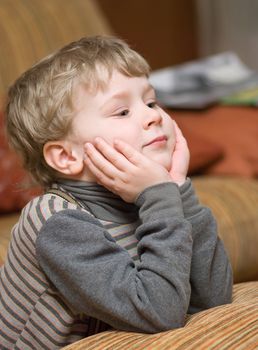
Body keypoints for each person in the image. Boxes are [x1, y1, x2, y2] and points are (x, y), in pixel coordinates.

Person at [0, 36, 233, 349]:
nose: (155, 116)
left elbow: (214, 298)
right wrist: (160, 200)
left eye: (150, 102)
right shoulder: (57, 221)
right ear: (67, 157)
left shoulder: (147, 199)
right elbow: (158, 314)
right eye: (122, 112)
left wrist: (178, 191)